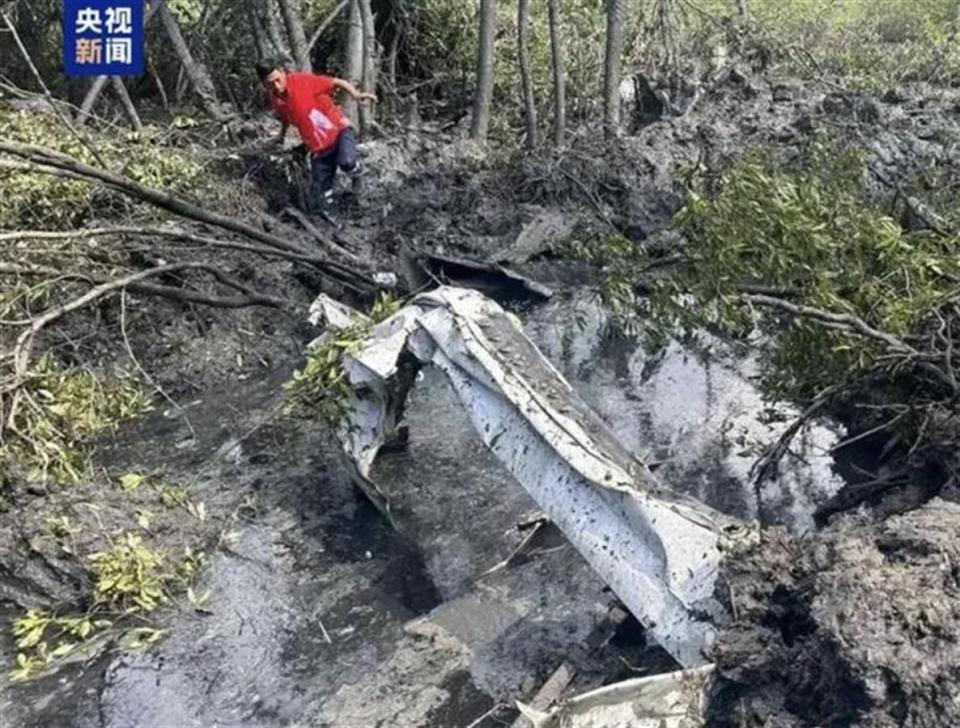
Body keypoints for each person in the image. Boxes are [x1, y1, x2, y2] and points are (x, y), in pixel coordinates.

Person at [255, 57, 377, 221]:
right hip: (318, 147)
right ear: (264, 84)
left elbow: (335, 81)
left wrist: (355, 94)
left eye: (278, 80)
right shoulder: (275, 98)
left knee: (347, 162)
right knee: (321, 195)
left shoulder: (302, 81)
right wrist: (281, 136)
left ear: (283, 73)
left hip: (338, 130)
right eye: (270, 84)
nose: (276, 86)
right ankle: (335, 221)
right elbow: (284, 117)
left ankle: (360, 179)